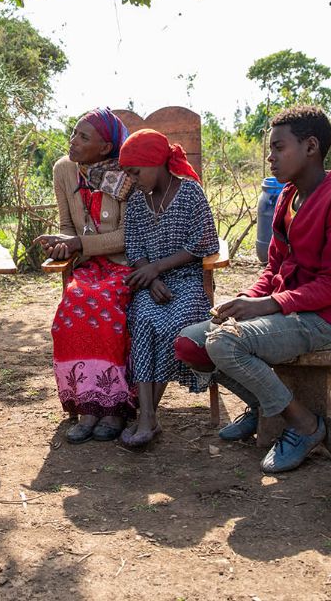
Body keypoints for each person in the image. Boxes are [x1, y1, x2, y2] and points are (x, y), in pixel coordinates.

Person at [174, 105, 331, 474]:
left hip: (329, 319)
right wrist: (248, 299)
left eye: (279, 148)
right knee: (190, 343)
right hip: (289, 311)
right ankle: (265, 407)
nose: (270, 157)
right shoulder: (288, 197)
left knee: (224, 342)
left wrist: (269, 305)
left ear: (310, 147)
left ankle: (305, 425)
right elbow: (275, 267)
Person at [36, 108, 136, 444]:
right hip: (89, 266)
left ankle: (115, 408)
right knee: (70, 311)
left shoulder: (127, 173)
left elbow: (127, 236)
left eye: (83, 137)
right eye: (74, 132)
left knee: (105, 308)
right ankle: (88, 406)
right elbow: (67, 225)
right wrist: (62, 245)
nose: (73, 141)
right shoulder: (64, 170)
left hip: (124, 265)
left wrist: (80, 242)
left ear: (106, 148)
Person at [117, 128, 220, 448]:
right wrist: (151, 278)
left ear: (154, 162)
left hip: (189, 280)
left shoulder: (190, 193)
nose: (133, 180)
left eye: (136, 172)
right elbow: (134, 248)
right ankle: (147, 416)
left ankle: (148, 415)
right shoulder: (136, 202)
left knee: (173, 324)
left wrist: (157, 269)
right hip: (152, 283)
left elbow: (202, 244)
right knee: (145, 318)